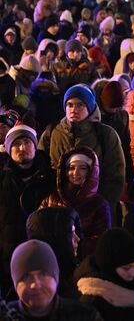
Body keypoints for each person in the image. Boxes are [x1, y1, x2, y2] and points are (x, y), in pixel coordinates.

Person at [38, 84, 125, 225]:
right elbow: (42, 167)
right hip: (59, 210)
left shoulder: (105, 134)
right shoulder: (52, 132)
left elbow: (115, 174)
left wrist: (102, 204)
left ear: (90, 108)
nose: (74, 110)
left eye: (80, 105)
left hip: (95, 211)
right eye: (70, 105)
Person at [0, 123, 55, 297]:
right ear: (9, 148)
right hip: (7, 255)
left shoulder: (50, 176)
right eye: (16, 144)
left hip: (42, 251)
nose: (22, 148)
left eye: (27, 142)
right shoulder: (2, 177)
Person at [75, 228, 134, 321]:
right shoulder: (93, 301)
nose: (132, 273)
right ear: (109, 265)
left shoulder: (133, 282)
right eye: (126, 268)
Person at [40, 147, 111, 256]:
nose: (75, 173)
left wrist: (77, 245)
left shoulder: (99, 204)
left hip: (85, 261)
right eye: (71, 168)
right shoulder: (51, 199)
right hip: (54, 257)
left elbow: (102, 240)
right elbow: (39, 228)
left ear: (90, 171)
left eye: (82, 168)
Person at [9, 240, 101, 320]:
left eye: (43, 275)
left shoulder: (85, 316)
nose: (35, 284)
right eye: (26, 277)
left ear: (56, 278)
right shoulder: (5, 315)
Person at [26, 207, 82, 299]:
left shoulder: (70, 274)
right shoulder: (51, 290)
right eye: (71, 233)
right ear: (56, 239)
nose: (78, 238)